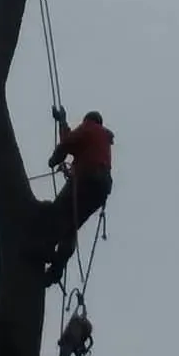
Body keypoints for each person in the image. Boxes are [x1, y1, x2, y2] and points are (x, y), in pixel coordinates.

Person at [42, 107, 114, 287]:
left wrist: (55, 159)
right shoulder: (101, 137)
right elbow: (71, 140)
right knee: (71, 225)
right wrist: (62, 121)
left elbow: (67, 142)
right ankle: (56, 268)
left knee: (55, 213)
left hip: (86, 179)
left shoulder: (89, 128)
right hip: (101, 188)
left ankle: (45, 248)